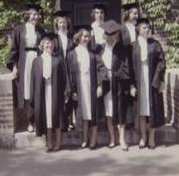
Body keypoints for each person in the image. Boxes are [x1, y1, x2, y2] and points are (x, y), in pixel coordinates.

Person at [6, 3, 45, 132]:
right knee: (27, 90)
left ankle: (40, 119)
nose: (35, 17)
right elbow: (14, 49)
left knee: (38, 89)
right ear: (28, 15)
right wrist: (14, 66)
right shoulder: (19, 30)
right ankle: (30, 121)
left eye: (37, 14)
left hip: (38, 60)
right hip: (25, 61)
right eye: (33, 14)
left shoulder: (41, 31)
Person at [129, 18, 166, 149]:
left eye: (148, 28)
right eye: (144, 28)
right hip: (139, 82)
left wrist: (158, 80)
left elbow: (161, 63)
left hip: (151, 81)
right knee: (142, 111)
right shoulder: (132, 46)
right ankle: (143, 137)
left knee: (152, 110)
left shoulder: (154, 44)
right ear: (138, 29)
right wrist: (132, 85)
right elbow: (129, 67)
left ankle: (151, 138)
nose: (147, 30)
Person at [67, 27, 105, 149]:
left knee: (92, 111)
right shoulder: (72, 54)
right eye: (84, 36)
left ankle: (93, 139)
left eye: (88, 36)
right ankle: (84, 138)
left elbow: (101, 69)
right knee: (83, 112)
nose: (86, 38)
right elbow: (69, 73)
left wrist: (100, 85)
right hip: (79, 85)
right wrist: (72, 90)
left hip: (91, 84)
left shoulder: (93, 54)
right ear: (78, 37)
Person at [30, 34, 67, 152]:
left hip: (55, 91)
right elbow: (33, 80)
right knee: (46, 117)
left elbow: (64, 77)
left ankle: (58, 143)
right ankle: (49, 142)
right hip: (42, 93)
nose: (49, 45)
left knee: (57, 116)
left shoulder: (58, 59)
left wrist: (66, 91)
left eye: (50, 43)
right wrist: (33, 95)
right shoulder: (36, 61)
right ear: (41, 46)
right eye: (46, 43)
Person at [98, 20, 131, 151]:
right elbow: (98, 66)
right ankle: (112, 138)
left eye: (112, 34)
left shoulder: (121, 48)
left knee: (120, 110)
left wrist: (117, 75)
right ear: (105, 35)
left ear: (116, 34)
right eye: (108, 34)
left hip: (118, 83)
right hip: (106, 82)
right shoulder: (101, 48)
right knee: (109, 112)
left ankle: (122, 139)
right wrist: (102, 78)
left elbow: (125, 67)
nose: (110, 36)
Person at [52, 10, 76, 130]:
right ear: (57, 24)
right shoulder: (54, 38)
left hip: (71, 68)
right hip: (60, 69)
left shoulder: (72, 37)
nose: (62, 25)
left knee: (72, 92)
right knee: (62, 93)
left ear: (68, 23)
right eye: (60, 23)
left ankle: (72, 119)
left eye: (64, 23)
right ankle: (63, 122)